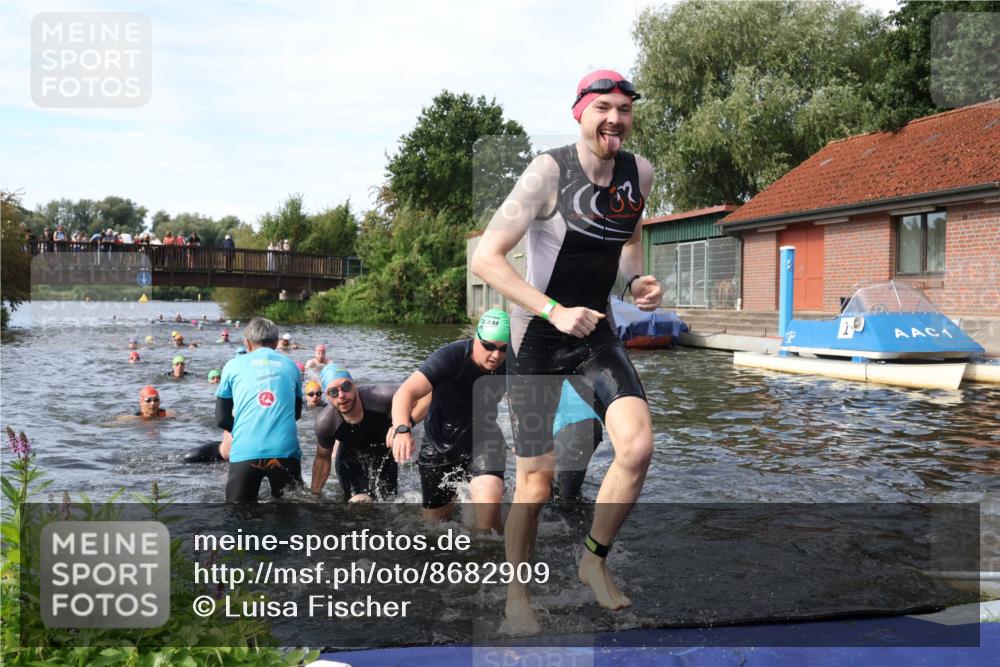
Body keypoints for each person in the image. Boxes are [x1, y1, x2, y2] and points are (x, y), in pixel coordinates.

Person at [470, 69, 662, 631]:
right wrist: (553, 310)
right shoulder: (547, 173)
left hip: (595, 329)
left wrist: (634, 283)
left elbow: (628, 239)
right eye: (603, 107)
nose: (615, 119)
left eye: (624, 109)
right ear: (578, 113)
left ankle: (592, 562)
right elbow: (486, 257)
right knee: (536, 481)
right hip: (539, 336)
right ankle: (516, 596)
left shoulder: (639, 173)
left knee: (637, 446)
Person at [388, 308, 510, 532]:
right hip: (439, 445)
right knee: (436, 528)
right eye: (489, 346)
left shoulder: (510, 363)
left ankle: (494, 561)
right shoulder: (451, 356)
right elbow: (405, 393)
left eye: (503, 349)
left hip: (484, 442)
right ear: (477, 338)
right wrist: (402, 428)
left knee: (488, 521)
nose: (496, 355)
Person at [215, 317, 303, 502]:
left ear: (247, 343)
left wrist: (243, 430)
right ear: (277, 342)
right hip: (284, 450)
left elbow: (221, 418)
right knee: (290, 517)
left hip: (246, 450)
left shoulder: (232, 365)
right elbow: (296, 413)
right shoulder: (291, 366)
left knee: (238, 517)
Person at [311, 366, 429, 503]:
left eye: (346, 386)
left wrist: (404, 425)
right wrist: (314, 496)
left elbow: (427, 395)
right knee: (357, 503)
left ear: (354, 386)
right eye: (333, 392)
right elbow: (322, 458)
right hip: (349, 458)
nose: (341, 395)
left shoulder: (381, 396)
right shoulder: (326, 422)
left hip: (384, 454)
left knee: (389, 503)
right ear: (327, 397)